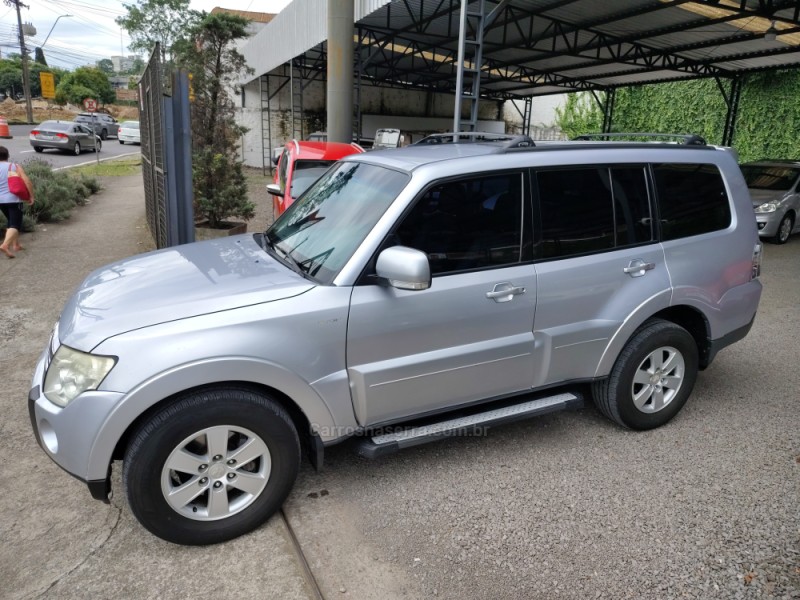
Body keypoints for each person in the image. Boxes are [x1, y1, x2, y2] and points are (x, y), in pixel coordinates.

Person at [0, 145, 34, 259]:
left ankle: (16, 245)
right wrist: (31, 196)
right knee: (15, 224)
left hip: (1, 201)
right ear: (7, 156)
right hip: (13, 199)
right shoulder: (13, 166)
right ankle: (5, 245)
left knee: (11, 221)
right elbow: (27, 181)